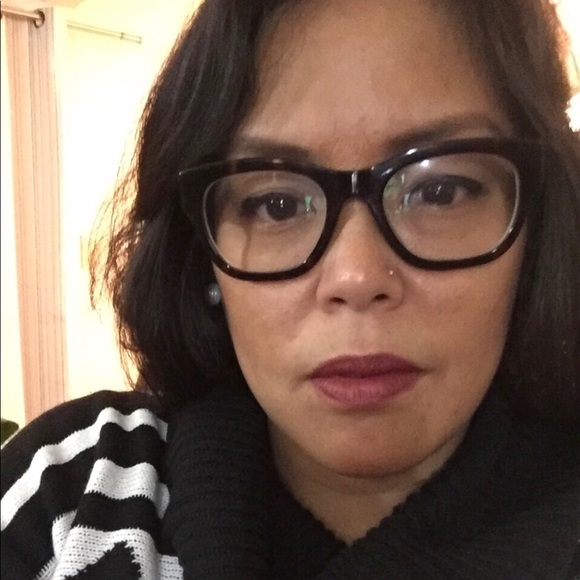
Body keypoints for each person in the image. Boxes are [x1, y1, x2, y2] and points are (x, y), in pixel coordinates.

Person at [2, 0, 579, 577]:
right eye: (276, 204)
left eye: (439, 192)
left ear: (539, 228)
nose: (356, 277)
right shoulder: (62, 497)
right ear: (203, 257)